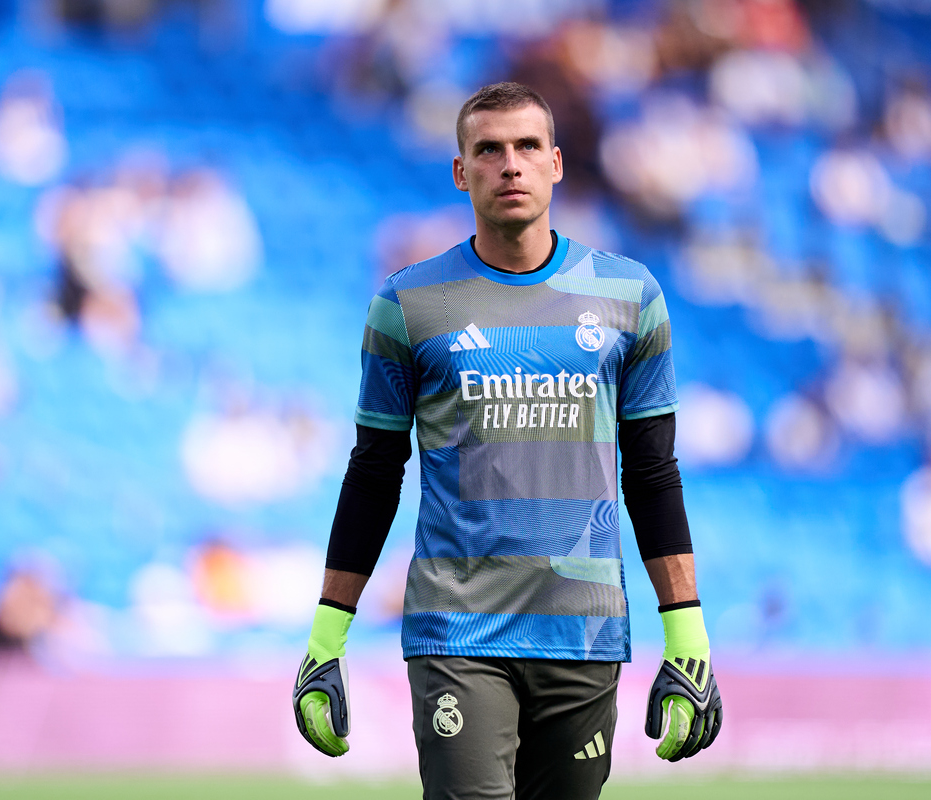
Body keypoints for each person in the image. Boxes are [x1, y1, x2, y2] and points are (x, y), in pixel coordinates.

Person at [292, 82, 722, 799]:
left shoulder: (630, 296)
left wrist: (686, 631)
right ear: (462, 173)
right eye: (489, 150)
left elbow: (653, 474)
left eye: (527, 147)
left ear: (556, 163)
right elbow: (373, 475)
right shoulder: (408, 304)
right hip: (458, 633)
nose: (510, 165)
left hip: (583, 635)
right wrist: (326, 636)